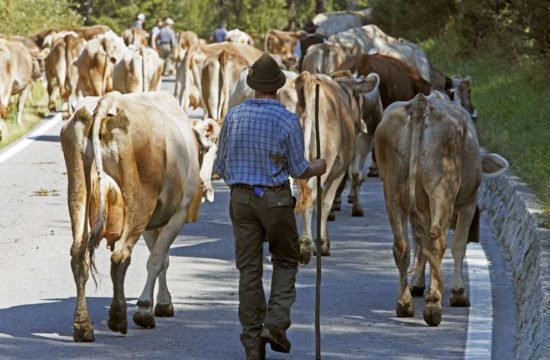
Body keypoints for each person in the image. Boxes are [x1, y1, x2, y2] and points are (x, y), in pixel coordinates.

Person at [213, 53, 327, 360]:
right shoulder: (288, 120)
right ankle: (275, 325)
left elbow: (220, 167)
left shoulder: (234, 117)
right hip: (276, 199)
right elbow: (299, 169)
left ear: (252, 86)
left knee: (249, 270)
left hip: (240, 199)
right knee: (286, 259)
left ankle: (252, 343)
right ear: (277, 87)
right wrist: (319, 166)